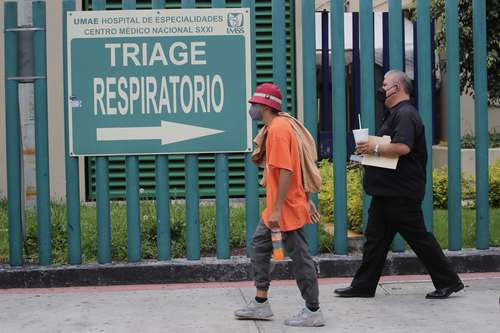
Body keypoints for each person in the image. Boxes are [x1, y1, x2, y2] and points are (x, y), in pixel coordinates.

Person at [335, 70, 464, 299]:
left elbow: (402, 147)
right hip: (386, 192)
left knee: (419, 239)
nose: (382, 88)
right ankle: (363, 286)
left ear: (397, 88)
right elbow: (390, 149)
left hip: (400, 193)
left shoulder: (405, 114)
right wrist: (366, 154)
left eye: (385, 84)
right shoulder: (395, 114)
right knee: (375, 241)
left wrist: (373, 148)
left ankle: (449, 281)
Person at [234, 83, 325, 327]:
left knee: (300, 257)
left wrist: (278, 209)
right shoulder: (278, 126)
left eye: (254, 104)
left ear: (265, 105)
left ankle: (313, 310)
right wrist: (306, 198)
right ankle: (261, 302)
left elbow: (286, 170)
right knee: (259, 246)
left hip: (285, 208)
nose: (251, 108)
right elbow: (297, 166)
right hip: (281, 205)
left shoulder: (278, 130)